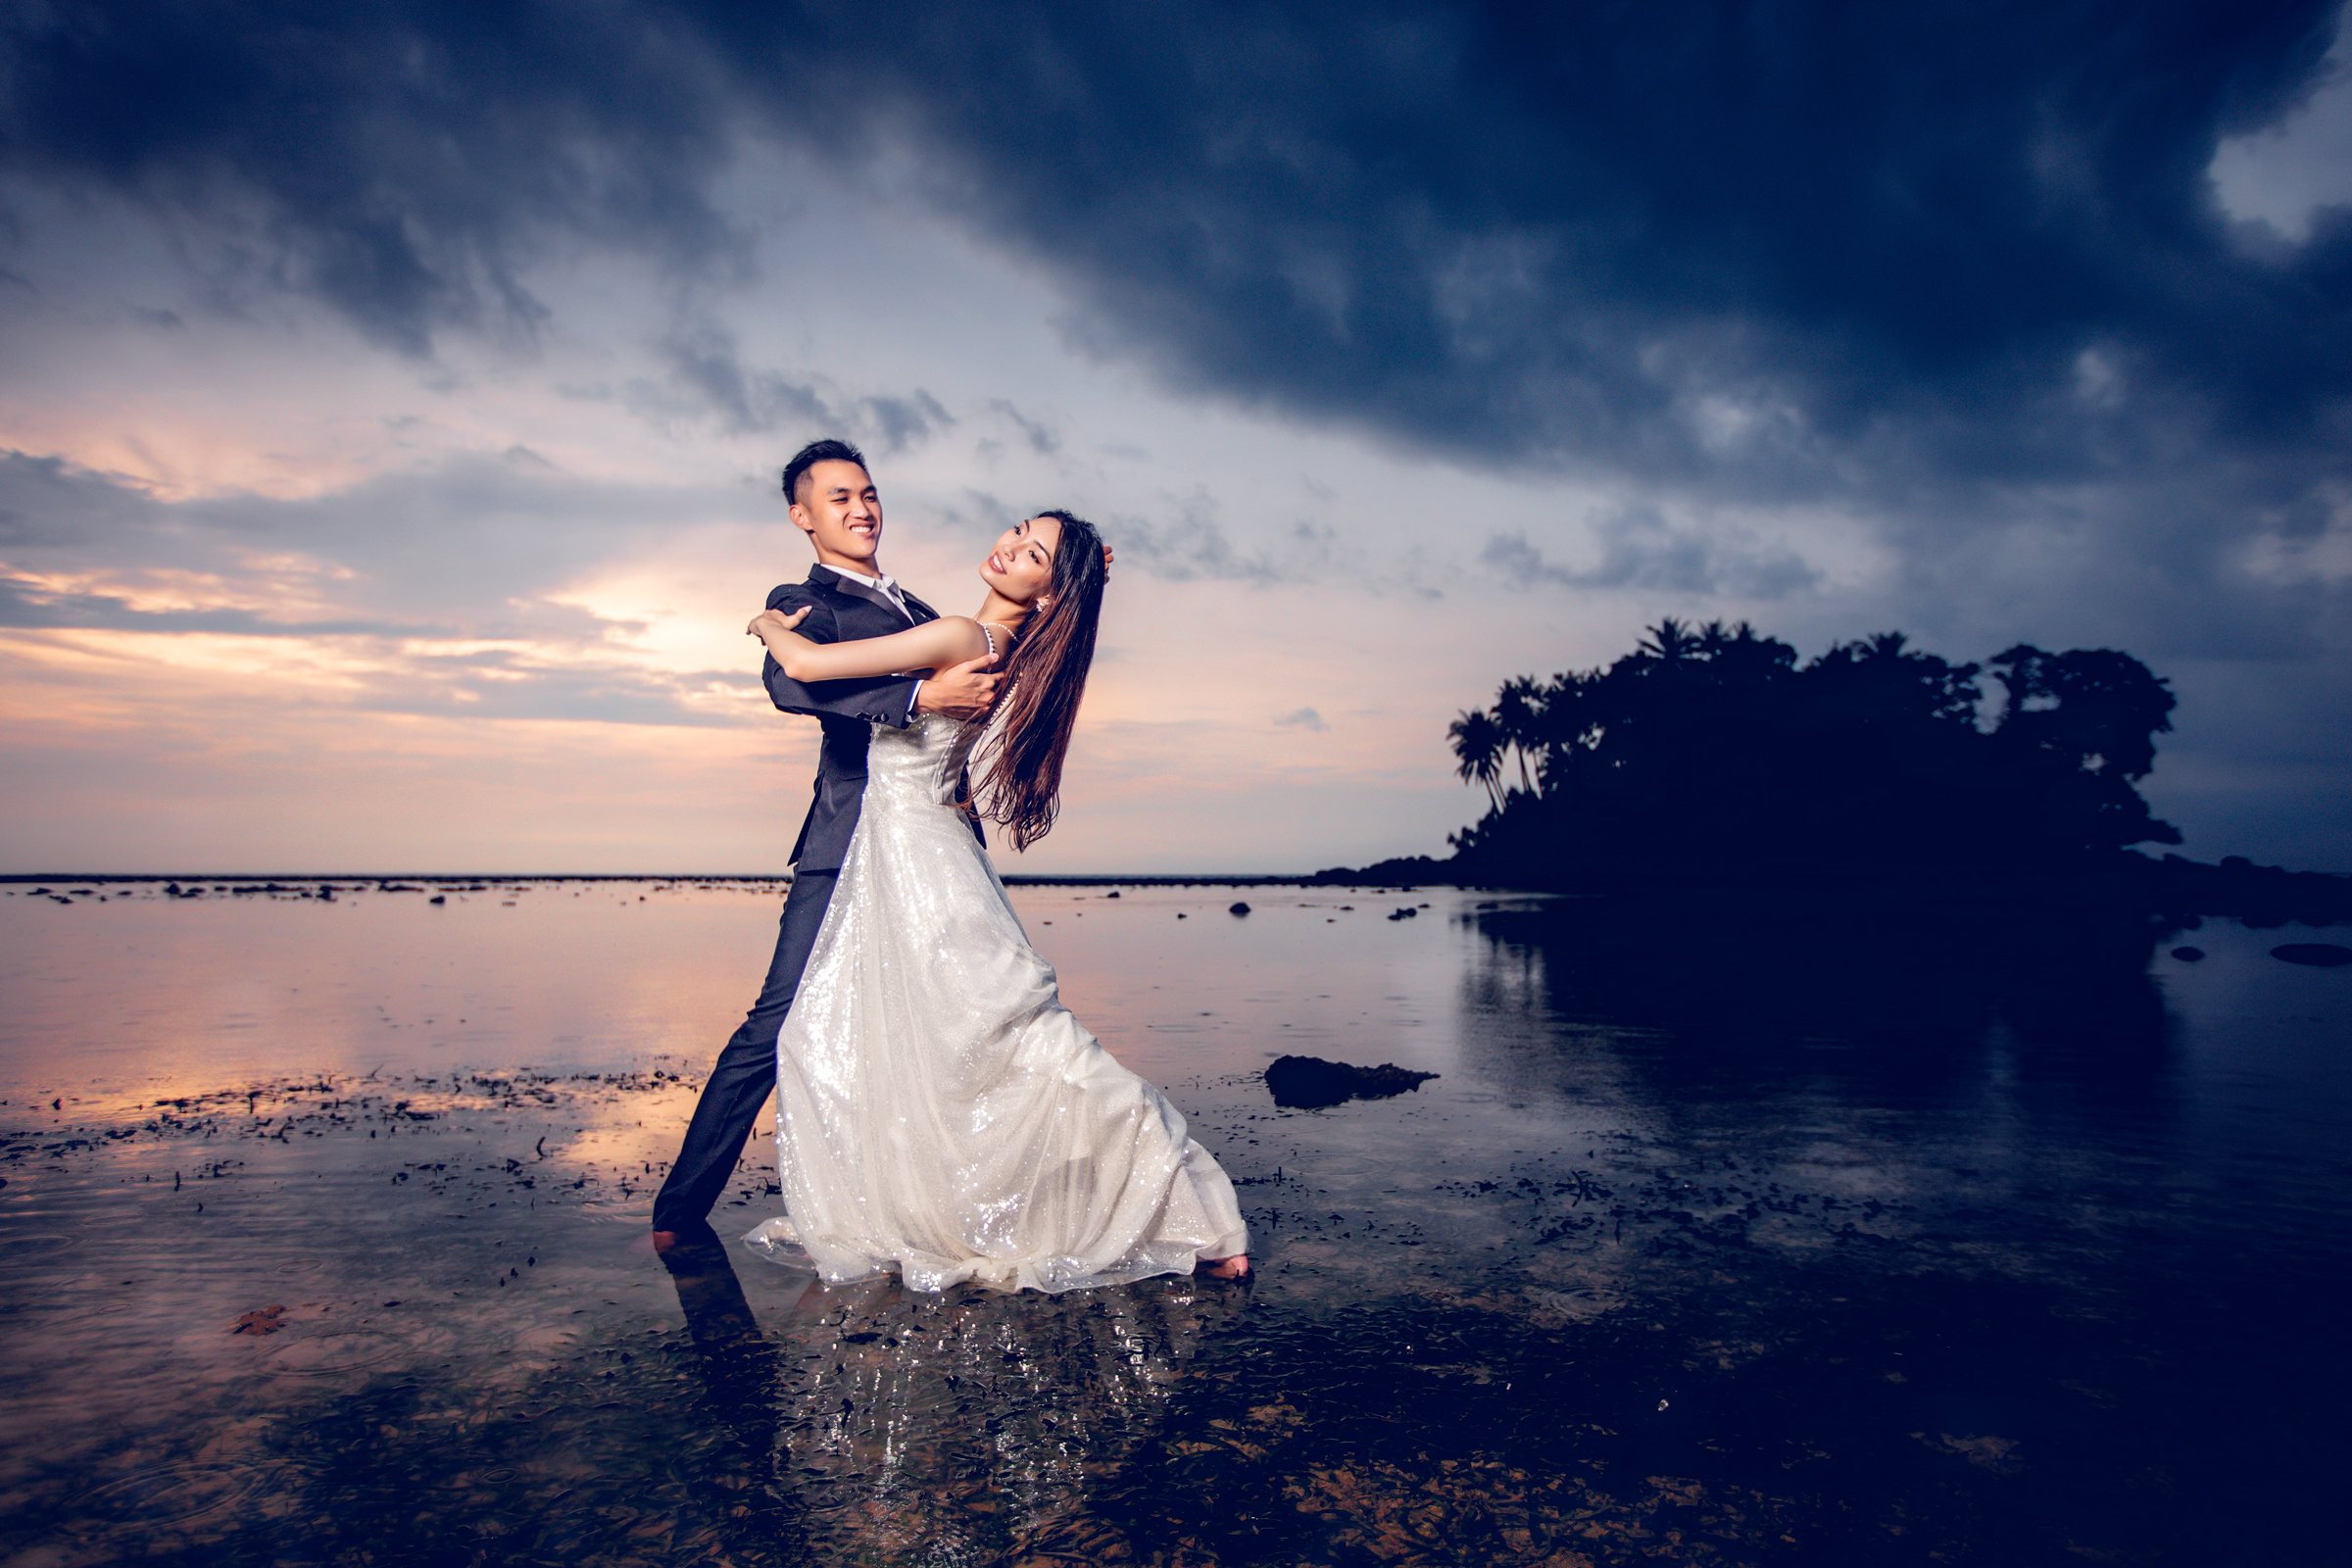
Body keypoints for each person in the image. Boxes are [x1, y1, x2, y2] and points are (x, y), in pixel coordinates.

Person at [739, 505, 1250, 1292]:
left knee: (1013, 1038)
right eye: (1018, 530)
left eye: (1034, 553)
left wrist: (767, 625)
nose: (1010, 546)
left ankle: (1193, 1210)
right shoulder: (1006, 647)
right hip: (910, 856)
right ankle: (967, 1205)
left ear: (1047, 593)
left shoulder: (962, 637)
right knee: (950, 1045)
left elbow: (806, 665)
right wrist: (1074, 572)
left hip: (918, 860)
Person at [651, 439, 1002, 1252]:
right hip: (847, 839)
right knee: (777, 1021)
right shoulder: (802, 600)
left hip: (934, 844)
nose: (861, 509)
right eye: (839, 498)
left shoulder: (919, 608)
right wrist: (918, 696)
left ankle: (942, 1208)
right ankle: (677, 1216)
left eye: (869, 493)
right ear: (801, 517)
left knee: (955, 1022)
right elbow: (788, 681)